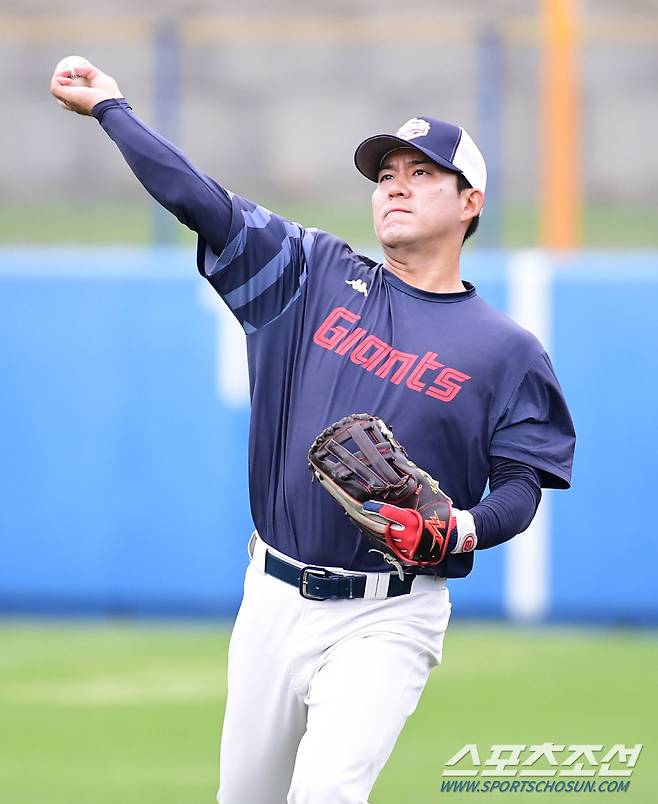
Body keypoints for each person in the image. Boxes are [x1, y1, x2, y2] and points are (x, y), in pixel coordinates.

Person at [51, 60, 575, 804]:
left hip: (390, 613)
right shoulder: (309, 275)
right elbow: (199, 200)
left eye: (422, 173)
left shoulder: (507, 351)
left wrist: (457, 529)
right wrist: (113, 108)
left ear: (471, 203)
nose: (395, 186)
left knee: (326, 794)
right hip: (271, 599)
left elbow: (521, 488)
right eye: (386, 174)